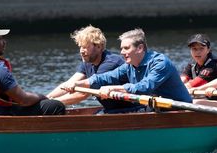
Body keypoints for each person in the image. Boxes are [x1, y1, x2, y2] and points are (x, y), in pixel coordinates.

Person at [63, 28, 192, 112]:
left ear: (140, 48)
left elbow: (144, 87)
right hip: (156, 108)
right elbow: (105, 77)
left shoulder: (160, 63)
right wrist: (77, 84)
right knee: (102, 114)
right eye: (121, 48)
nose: (122, 52)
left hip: (180, 110)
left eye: (126, 48)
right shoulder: (129, 66)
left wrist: (114, 88)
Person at [47, 25, 138, 113]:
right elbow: (68, 83)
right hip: (112, 110)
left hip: (133, 109)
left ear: (99, 47)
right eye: (80, 47)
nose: (82, 51)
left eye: (86, 47)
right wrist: (47, 98)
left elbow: (82, 94)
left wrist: (52, 103)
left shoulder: (110, 63)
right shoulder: (88, 62)